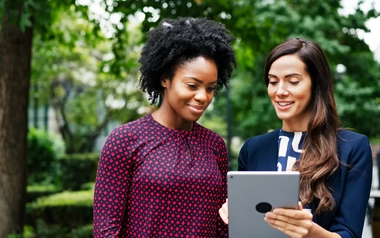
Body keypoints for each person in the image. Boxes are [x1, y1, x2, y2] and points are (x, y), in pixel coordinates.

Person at [93, 17, 237, 237]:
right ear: (164, 79)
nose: (202, 97)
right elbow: (106, 230)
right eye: (192, 85)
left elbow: (223, 225)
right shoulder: (125, 139)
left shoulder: (214, 144)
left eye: (210, 88)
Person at [219, 38, 372, 238]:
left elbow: (349, 233)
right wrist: (235, 212)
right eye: (273, 82)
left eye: (293, 81)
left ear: (316, 85)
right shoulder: (253, 148)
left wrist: (310, 232)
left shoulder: (352, 148)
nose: (280, 91)